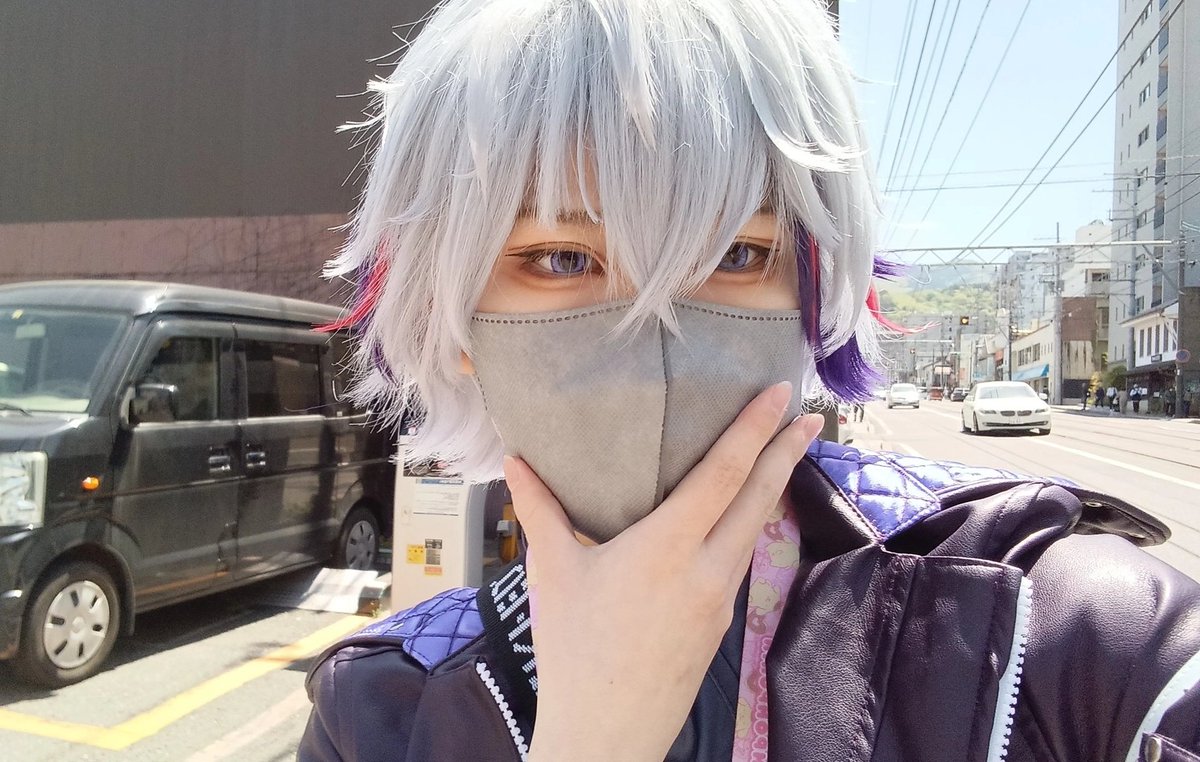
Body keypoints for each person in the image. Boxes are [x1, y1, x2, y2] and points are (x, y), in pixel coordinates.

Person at [298, 2, 1200, 760]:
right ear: (449, 313)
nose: (654, 347)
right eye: (562, 257)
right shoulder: (376, 710)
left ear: (814, 288)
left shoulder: (1070, 631)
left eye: (737, 252)